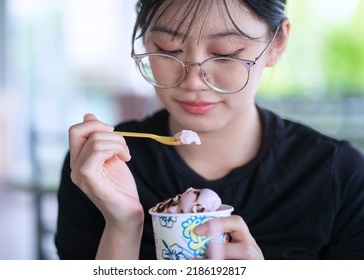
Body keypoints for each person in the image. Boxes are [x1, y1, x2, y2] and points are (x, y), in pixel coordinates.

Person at [55, 0, 364, 260]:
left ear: (276, 44)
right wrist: (122, 226)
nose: (192, 81)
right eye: (168, 49)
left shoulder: (339, 176)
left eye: (226, 53)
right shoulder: (99, 167)